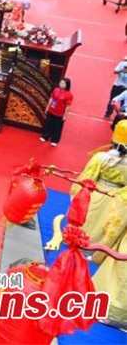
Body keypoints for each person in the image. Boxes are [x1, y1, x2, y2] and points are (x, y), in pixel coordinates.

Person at [71, 122, 127, 329]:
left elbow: (86, 179)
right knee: (109, 231)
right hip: (118, 200)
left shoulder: (102, 158)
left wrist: (77, 194)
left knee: (90, 223)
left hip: (99, 193)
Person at [40, 78, 72, 147]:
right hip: (52, 110)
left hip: (59, 113)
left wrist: (65, 115)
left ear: (67, 85)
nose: (61, 84)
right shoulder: (56, 90)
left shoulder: (68, 95)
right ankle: (45, 136)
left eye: (63, 83)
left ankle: (55, 140)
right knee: (49, 124)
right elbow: (51, 99)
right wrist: (47, 107)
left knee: (57, 127)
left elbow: (68, 106)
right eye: (60, 83)